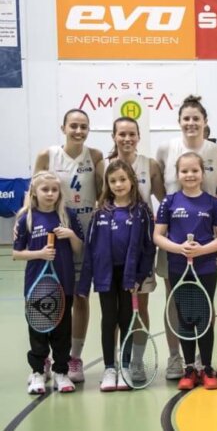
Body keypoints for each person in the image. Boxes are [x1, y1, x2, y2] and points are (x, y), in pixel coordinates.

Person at [155, 95, 217, 380]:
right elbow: (159, 189)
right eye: (186, 118)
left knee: (203, 305)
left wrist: (209, 245)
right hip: (175, 245)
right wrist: (175, 234)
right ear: (179, 121)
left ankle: (203, 360)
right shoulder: (166, 149)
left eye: (196, 118)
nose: (191, 123)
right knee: (175, 302)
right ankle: (177, 358)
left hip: (205, 247)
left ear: (205, 121)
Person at [33, 109, 103, 384]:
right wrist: (25, 219)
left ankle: (74, 357)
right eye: (73, 125)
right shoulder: (47, 155)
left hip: (84, 237)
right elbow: (33, 193)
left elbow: (103, 194)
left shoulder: (95, 156)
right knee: (50, 293)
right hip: (54, 236)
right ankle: (45, 356)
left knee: (80, 297)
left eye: (83, 126)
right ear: (63, 127)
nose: (78, 131)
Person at [77, 160, 155, 391]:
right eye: (113, 181)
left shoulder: (142, 212)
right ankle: (110, 368)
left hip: (129, 276)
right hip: (106, 275)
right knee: (108, 319)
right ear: (107, 184)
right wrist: (84, 285)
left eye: (122, 179)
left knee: (126, 319)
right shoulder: (100, 212)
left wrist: (139, 277)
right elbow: (90, 249)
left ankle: (125, 367)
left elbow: (149, 248)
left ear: (132, 181)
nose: (118, 184)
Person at [13, 171, 83, 394]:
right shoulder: (26, 218)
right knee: (38, 331)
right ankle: (38, 372)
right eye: (45, 189)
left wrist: (70, 235)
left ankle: (61, 372)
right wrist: (39, 254)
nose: (50, 193)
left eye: (54, 190)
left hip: (63, 284)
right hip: (37, 286)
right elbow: (16, 253)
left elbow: (79, 248)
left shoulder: (67, 215)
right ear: (34, 192)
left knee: (62, 332)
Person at [107, 117, 165, 363]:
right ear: (114, 136)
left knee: (139, 306)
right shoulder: (104, 165)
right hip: (113, 249)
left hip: (141, 249)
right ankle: (114, 363)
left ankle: (137, 362)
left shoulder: (149, 165)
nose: (127, 138)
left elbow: (165, 201)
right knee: (114, 311)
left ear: (139, 136)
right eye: (122, 134)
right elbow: (100, 202)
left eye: (132, 134)